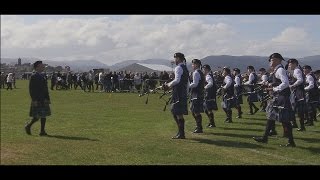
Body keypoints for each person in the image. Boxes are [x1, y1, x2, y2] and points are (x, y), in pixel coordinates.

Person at [253, 53, 296, 147]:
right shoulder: (277, 70)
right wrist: (269, 85)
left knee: (285, 121)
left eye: (271, 60)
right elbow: (278, 82)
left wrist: (274, 89)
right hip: (278, 97)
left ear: (277, 60)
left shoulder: (280, 70)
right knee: (270, 117)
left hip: (282, 98)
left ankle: (291, 142)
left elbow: (285, 83)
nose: (270, 62)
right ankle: (265, 138)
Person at [163, 52, 189, 139]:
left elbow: (177, 80)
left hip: (178, 93)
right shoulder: (185, 67)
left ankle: (181, 133)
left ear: (178, 58)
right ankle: (180, 132)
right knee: (176, 112)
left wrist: (168, 85)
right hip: (182, 92)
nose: (174, 60)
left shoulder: (178, 67)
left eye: (175, 58)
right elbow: (186, 82)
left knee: (177, 112)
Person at [25, 61, 51, 136]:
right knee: (36, 117)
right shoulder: (33, 76)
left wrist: (47, 98)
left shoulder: (43, 75)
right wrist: (34, 100)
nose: (43, 66)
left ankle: (42, 131)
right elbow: (31, 89)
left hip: (44, 98)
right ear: (37, 67)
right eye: (41, 65)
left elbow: (45, 88)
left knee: (44, 115)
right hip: (37, 99)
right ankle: (28, 126)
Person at [288, 59, 306, 131]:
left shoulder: (297, 70)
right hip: (298, 92)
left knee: (297, 109)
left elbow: (300, 80)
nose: (289, 66)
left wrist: (293, 85)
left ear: (294, 63)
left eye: (290, 64)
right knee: (295, 109)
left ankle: (299, 125)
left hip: (298, 92)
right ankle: (297, 124)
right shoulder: (297, 69)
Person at [189, 59, 205, 133]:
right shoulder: (200, 72)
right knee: (194, 111)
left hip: (196, 93)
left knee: (196, 111)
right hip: (198, 93)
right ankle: (198, 127)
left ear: (197, 64)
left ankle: (199, 128)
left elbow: (195, 84)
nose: (192, 65)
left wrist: (188, 86)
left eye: (193, 64)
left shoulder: (196, 73)